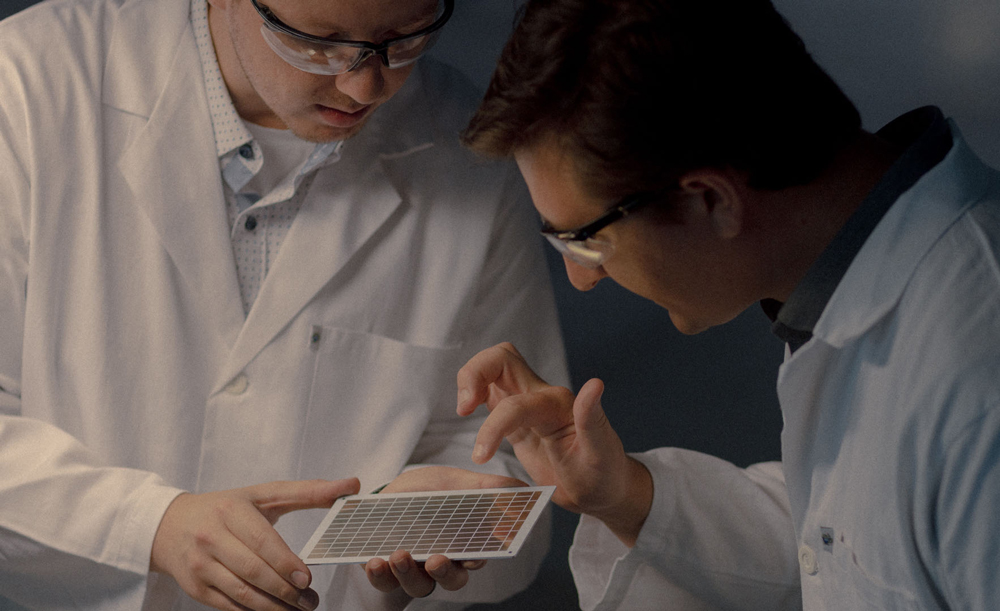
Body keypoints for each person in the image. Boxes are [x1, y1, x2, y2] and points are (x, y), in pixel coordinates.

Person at [0, 0, 569, 608]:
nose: (363, 85)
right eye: (318, 40)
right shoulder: (29, 83)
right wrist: (148, 526)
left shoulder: (468, 146)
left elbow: (515, 457)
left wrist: (441, 517)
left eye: (404, 40)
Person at [454, 0, 1000, 608]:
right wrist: (622, 495)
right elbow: (850, 546)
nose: (583, 281)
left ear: (710, 200)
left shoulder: (977, 375)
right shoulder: (861, 289)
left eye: (586, 243)